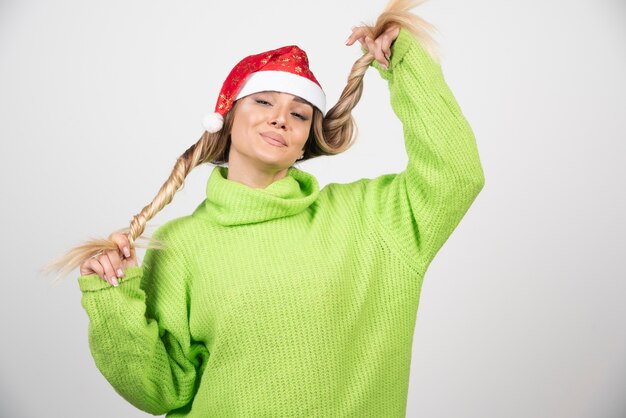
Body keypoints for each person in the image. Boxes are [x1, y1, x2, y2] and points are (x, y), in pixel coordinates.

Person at [44, 0, 485, 416]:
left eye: (299, 114)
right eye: (264, 101)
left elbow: (456, 174)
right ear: (228, 114)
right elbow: (159, 390)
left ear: (308, 138)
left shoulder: (374, 219)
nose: (281, 119)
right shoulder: (178, 246)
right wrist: (112, 297)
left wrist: (404, 62)